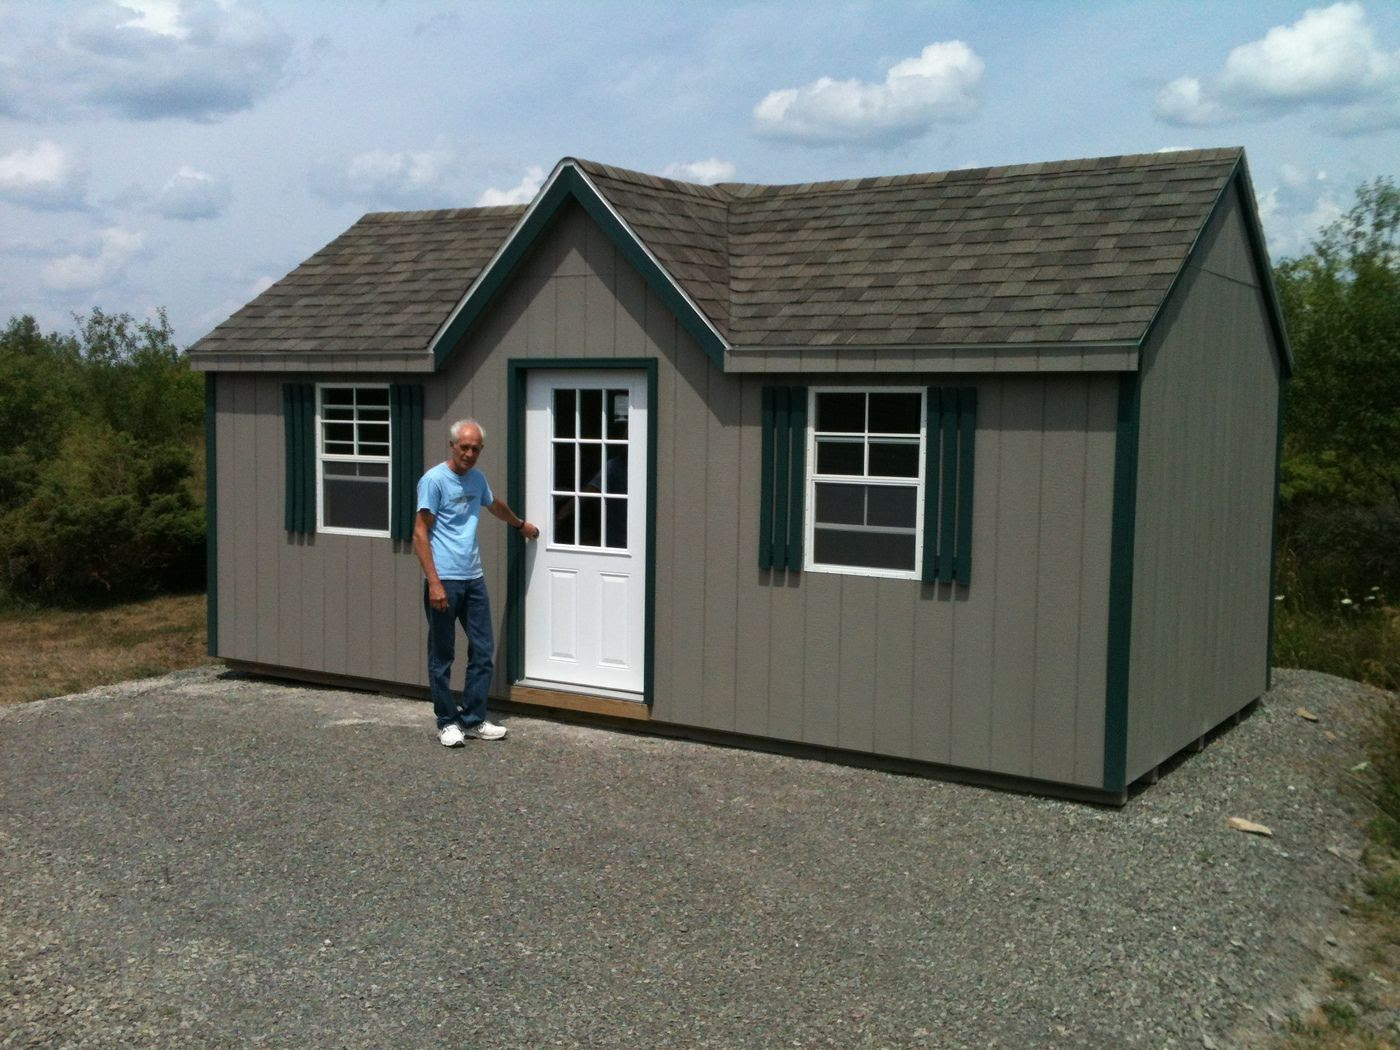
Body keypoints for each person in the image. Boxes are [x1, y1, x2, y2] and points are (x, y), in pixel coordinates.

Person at [412, 419, 539, 747]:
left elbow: (493, 503)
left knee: (482, 650)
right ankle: (446, 721)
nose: (469, 453)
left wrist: (519, 524)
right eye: (464, 447)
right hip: (445, 582)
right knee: (443, 655)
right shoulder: (434, 481)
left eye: (475, 448)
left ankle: (471, 719)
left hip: (473, 579)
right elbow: (420, 533)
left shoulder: (477, 479)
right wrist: (434, 583)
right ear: (452, 446)